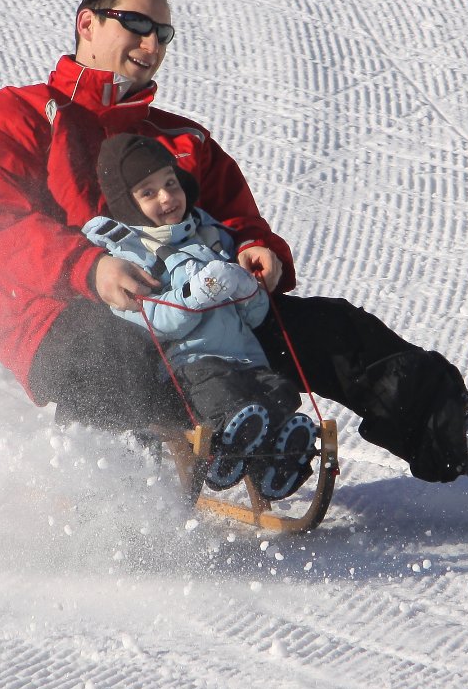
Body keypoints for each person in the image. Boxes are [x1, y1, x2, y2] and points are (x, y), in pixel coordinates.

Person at [0, 0, 468, 525]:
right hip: (65, 316)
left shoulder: (181, 140)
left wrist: (258, 252)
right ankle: (124, 507)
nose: (151, 44)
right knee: (111, 357)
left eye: (163, 34)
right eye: (137, 24)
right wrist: (89, 268)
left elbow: (240, 221)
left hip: (201, 315)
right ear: (88, 23)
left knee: (336, 331)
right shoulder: (21, 116)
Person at [82, 132, 319, 500]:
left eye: (170, 183)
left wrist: (247, 289)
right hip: (192, 364)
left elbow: (254, 316)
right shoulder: (129, 257)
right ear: (128, 204)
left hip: (246, 357)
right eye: (149, 192)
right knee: (228, 400)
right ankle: (223, 454)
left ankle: (277, 464)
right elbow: (156, 320)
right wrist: (201, 292)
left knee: (278, 393)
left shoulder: (208, 234)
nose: (166, 197)